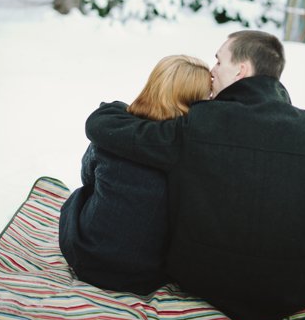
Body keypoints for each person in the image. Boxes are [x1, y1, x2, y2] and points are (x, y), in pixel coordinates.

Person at [84, 30, 305, 320]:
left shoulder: (200, 123)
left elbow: (118, 132)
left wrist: (114, 109)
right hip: (291, 292)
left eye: (218, 61)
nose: (211, 71)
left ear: (241, 69)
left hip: (206, 283)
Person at [59, 55, 212, 295]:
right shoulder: (190, 151)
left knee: (80, 195)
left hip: (86, 257)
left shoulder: (118, 130)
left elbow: (87, 176)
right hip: (146, 274)